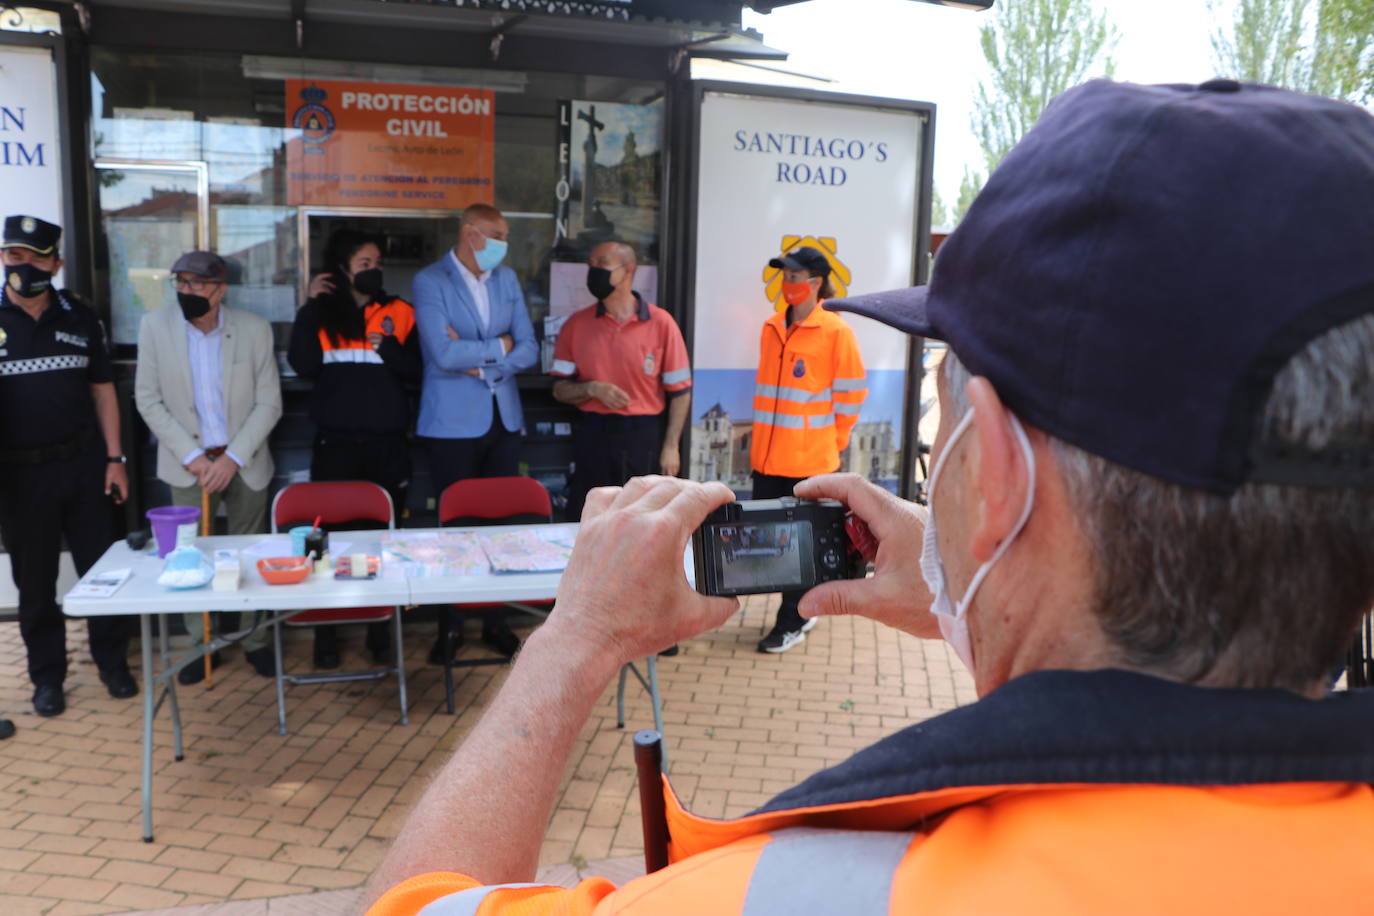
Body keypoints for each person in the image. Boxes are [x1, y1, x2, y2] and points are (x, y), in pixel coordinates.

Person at [360, 79, 1374, 914]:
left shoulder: (792, 895)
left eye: (948, 415)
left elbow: (416, 904)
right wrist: (971, 591)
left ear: (999, 475)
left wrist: (572, 641)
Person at [0, 215, 135, 717]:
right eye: (14, 255)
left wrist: (116, 459)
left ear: (55, 264)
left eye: (35, 258)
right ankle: (47, 678)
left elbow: (103, 391)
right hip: (19, 477)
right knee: (34, 585)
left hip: (84, 466)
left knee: (102, 572)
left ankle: (112, 663)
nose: (23, 267)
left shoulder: (80, 317)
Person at [134, 250, 282, 683]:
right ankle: (202, 645)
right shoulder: (154, 326)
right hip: (187, 464)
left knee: (249, 551)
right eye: (180, 283)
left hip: (244, 460)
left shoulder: (254, 329)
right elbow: (148, 399)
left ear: (221, 290)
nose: (187, 291)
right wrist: (194, 458)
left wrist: (232, 458)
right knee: (189, 556)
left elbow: (269, 402)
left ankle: (254, 640)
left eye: (197, 284)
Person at [288, 229, 420, 669]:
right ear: (343, 268)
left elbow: (418, 371)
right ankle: (326, 637)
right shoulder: (323, 313)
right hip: (336, 447)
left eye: (377, 263)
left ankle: (379, 634)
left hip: (387, 447)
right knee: (327, 541)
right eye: (364, 263)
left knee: (383, 538)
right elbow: (303, 364)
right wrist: (309, 305)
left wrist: (392, 350)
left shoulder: (400, 311)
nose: (373, 269)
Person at [413, 203, 537, 659]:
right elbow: (442, 355)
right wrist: (498, 347)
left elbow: (528, 347)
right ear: (470, 234)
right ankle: (450, 627)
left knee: (500, 525)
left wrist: (483, 362)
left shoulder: (507, 280)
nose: (504, 244)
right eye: (497, 235)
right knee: (456, 526)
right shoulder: (431, 281)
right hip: (451, 424)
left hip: (503, 418)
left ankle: (495, 623)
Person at [750, 244, 866, 653]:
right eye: (785, 276)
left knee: (799, 548)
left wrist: (832, 444)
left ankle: (792, 621)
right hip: (766, 462)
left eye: (795, 277)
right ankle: (801, 611)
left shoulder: (836, 331)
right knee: (773, 546)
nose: (787, 283)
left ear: (816, 283)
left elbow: (851, 396)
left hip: (810, 462)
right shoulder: (771, 327)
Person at [550, 240, 692, 520]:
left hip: (642, 437)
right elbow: (558, 389)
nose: (593, 270)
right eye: (591, 265)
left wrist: (671, 446)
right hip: (593, 436)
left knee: (642, 520)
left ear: (628, 270)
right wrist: (592, 389)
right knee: (589, 519)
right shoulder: (576, 325)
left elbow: (680, 392)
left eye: (602, 264)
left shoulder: (661, 323)